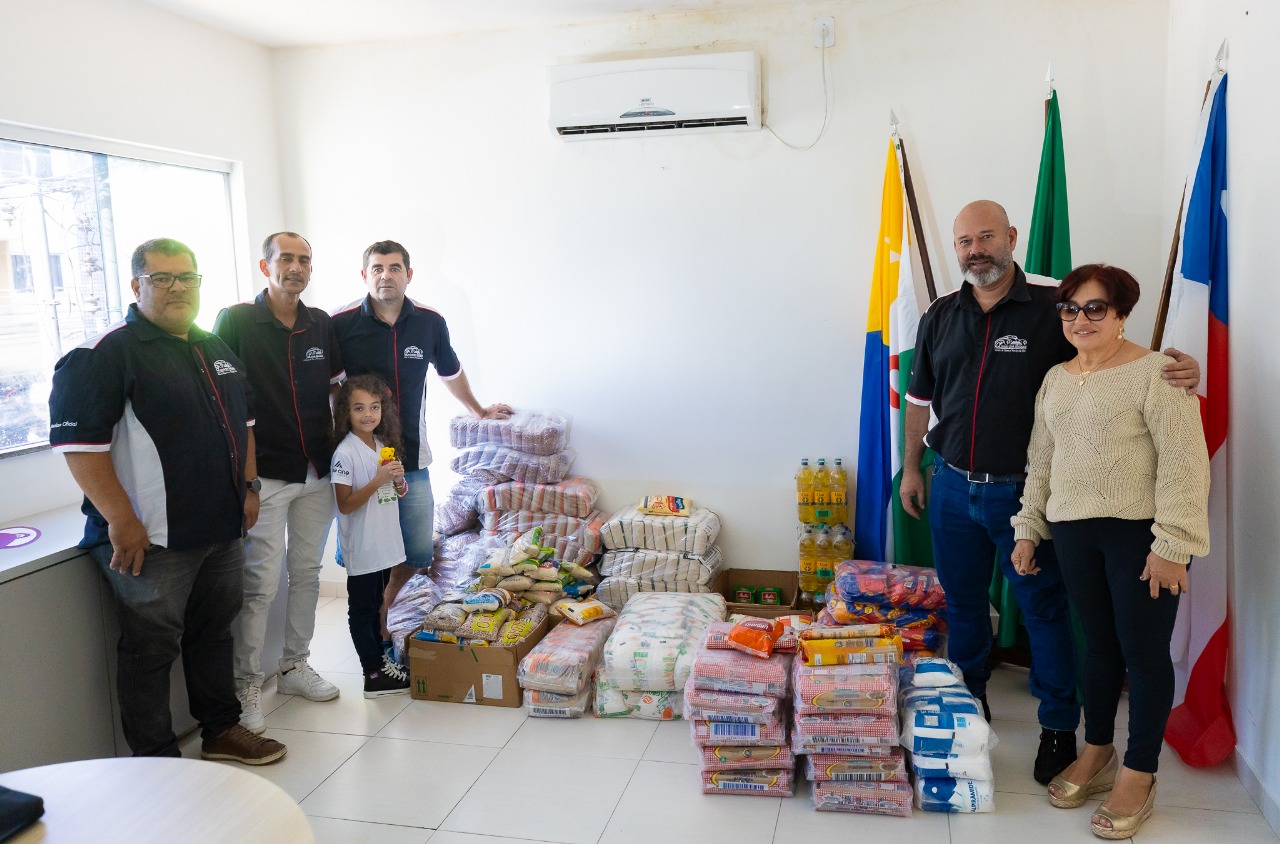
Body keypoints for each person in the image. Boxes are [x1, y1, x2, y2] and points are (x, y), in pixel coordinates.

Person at [900, 200, 1199, 785]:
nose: (975, 250)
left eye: (986, 237)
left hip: (1026, 496)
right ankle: (970, 706)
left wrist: (1175, 368)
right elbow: (919, 401)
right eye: (964, 242)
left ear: (1011, 237)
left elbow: (1107, 359)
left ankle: (1060, 728)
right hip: (952, 488)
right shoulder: (939, 315)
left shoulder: (1051, 307)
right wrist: (913, 468)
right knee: (961, 604)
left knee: (1045, 612)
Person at [48, 237, 286, 765]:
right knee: (150, 651)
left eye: (188, 278)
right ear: (137, 285)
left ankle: (221, 731)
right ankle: (155, 762)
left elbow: (244, 425)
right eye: (163, 278)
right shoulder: (103, 354)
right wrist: (122, 519)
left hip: (220, 528)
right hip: (151, 539)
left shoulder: (211, 347)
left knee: (212, 634)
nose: (178, 288)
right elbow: (80, 447)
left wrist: (249, 489)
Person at [1011, 264, 1209, 839]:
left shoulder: (1157, 373)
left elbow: (1183, 463)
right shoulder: (1055, 378)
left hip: (1142, 536)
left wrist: (1173, 544)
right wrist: (1028, 528)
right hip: (1073, 532)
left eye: (1095, 308)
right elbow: (1041, 462)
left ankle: (1140, 773)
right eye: (1070, 309)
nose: (1080, 319)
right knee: (1096, 648)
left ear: (1122, 313)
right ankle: (1098, 753)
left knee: (1144, 656)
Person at [332, 240, 512, 643]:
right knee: (361, 549)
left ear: (408, 275)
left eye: (394, 268)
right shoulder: (341, 323)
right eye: (377, 268)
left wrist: (479, 410)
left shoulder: (429, 322)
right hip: (362, 459)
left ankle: (384, 606)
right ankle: (371, 621)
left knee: (416, 551)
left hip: (410, 456)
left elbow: (450, 371)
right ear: (365, 275)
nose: (386, 275)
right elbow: (329, 387)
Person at [213, 232, 345, 733]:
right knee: (260, 586)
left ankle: (294, 665)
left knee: (307, 573)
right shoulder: (236, 321)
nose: (296, 267)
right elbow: (226, 399)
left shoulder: (320, 324)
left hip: (316, 471)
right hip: (264, 475)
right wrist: (245, 482)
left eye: (304, 259)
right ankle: (248, 683)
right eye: (286, 258)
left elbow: (336, 390)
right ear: (266, 265)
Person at [330, 375, 413, 697]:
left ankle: (381, 664)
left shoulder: (380, 446)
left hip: (384, 544)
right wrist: (379, 479)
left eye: (375, 407)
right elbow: (345, 504)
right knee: (362, 610)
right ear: (346, 413)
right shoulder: (345, 453)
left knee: (377, 603)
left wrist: (398, 481)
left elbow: (394, 494)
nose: (368, 414)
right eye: (359, 408)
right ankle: (373, 673)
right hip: (364, 547)